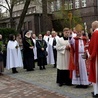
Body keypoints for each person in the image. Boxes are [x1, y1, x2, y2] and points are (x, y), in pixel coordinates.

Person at [88, 21, 98, 97]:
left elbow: (94, 46)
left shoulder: (95, 33)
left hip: (96, 58)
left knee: (96, 74)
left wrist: (91, 55)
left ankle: (96, 92)